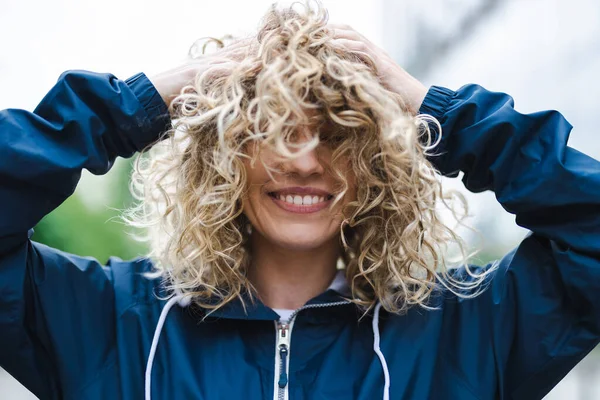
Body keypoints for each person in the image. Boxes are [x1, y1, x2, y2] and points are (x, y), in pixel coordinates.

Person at [1, 3, 599, 400]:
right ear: (223, 157)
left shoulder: (466, 331)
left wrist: (433, 108)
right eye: (269, 130)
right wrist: (142, 102)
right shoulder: (110, 322)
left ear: (378, 164)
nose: (304, 159)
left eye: (339, 133)